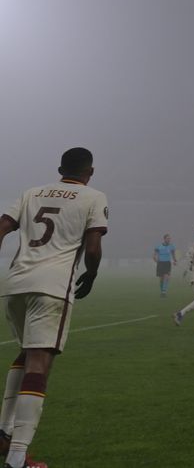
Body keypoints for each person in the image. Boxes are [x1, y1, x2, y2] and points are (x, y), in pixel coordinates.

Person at [0, 147, 108, 468]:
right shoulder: (93, 197)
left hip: (16, 285)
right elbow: (93, 245)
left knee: (25, 354)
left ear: (59, 168)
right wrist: (92, 273)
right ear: (90, 172)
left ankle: (4, 434)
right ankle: (19, 457)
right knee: (39, 365)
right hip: (52, 287)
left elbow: (2, 226)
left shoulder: (31, 192)